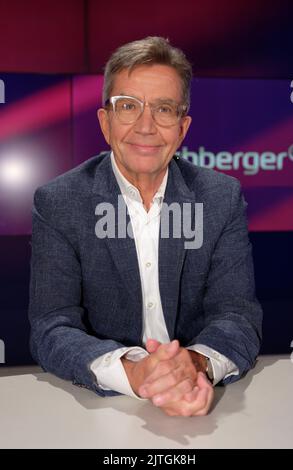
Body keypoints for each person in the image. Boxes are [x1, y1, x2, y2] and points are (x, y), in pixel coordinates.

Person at [29, 36, 262, 417]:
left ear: (182, 128)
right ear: (105, 122)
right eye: (128, 107)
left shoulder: (221, 198)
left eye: (164, 109)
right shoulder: (59, 202)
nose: (146, 126)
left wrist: (194, 365)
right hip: (101, 412)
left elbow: (236, 315)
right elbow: (52, 327)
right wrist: (134, 372)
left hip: (203, 406)